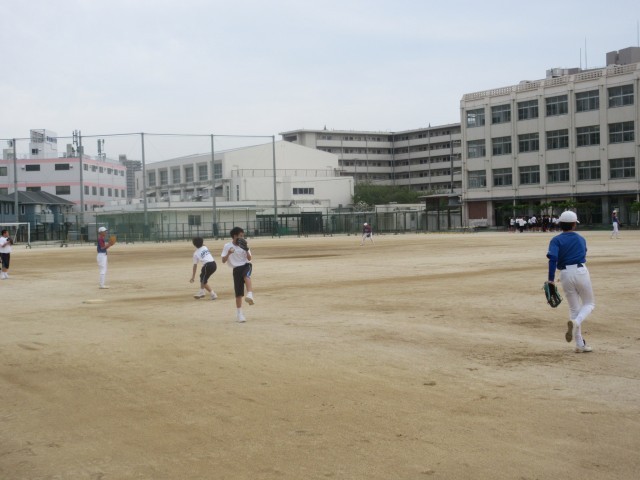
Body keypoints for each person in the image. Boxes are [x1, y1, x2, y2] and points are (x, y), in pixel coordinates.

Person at [546, 211, 595, 353]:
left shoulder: (556, 240)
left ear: (560, 224)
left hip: (565, 274)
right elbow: (584, 252)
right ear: (574, 224)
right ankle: (576, 323)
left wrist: (550, 279)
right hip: (581, 271)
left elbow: (553, 259)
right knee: (589, 304)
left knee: (574, 309)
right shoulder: (580, 238)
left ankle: (580, 344)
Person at [221, 227, 254, 322]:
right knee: (238, 294)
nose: (242, 238)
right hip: (236, 269)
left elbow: (249, 258)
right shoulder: (227, 246)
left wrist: (246, 249)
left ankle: (250, 294)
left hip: (246, 265)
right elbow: (223, 260)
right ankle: (239, 314)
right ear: (234, 236)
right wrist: (228, 253)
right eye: (240, 236)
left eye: (243, 236)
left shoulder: (244, 244)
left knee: (246, 275)